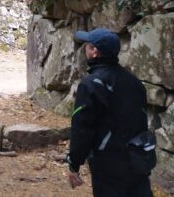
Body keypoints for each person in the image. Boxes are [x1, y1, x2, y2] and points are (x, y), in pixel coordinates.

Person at [66, 28, 155, 197]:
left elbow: (82, 129)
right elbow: (141, 123)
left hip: (108, 164)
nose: (85, 49)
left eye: (87, 45)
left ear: (95, 52)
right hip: (138, 159)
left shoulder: (90, 85)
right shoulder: (135, 82)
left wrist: (74, 164)